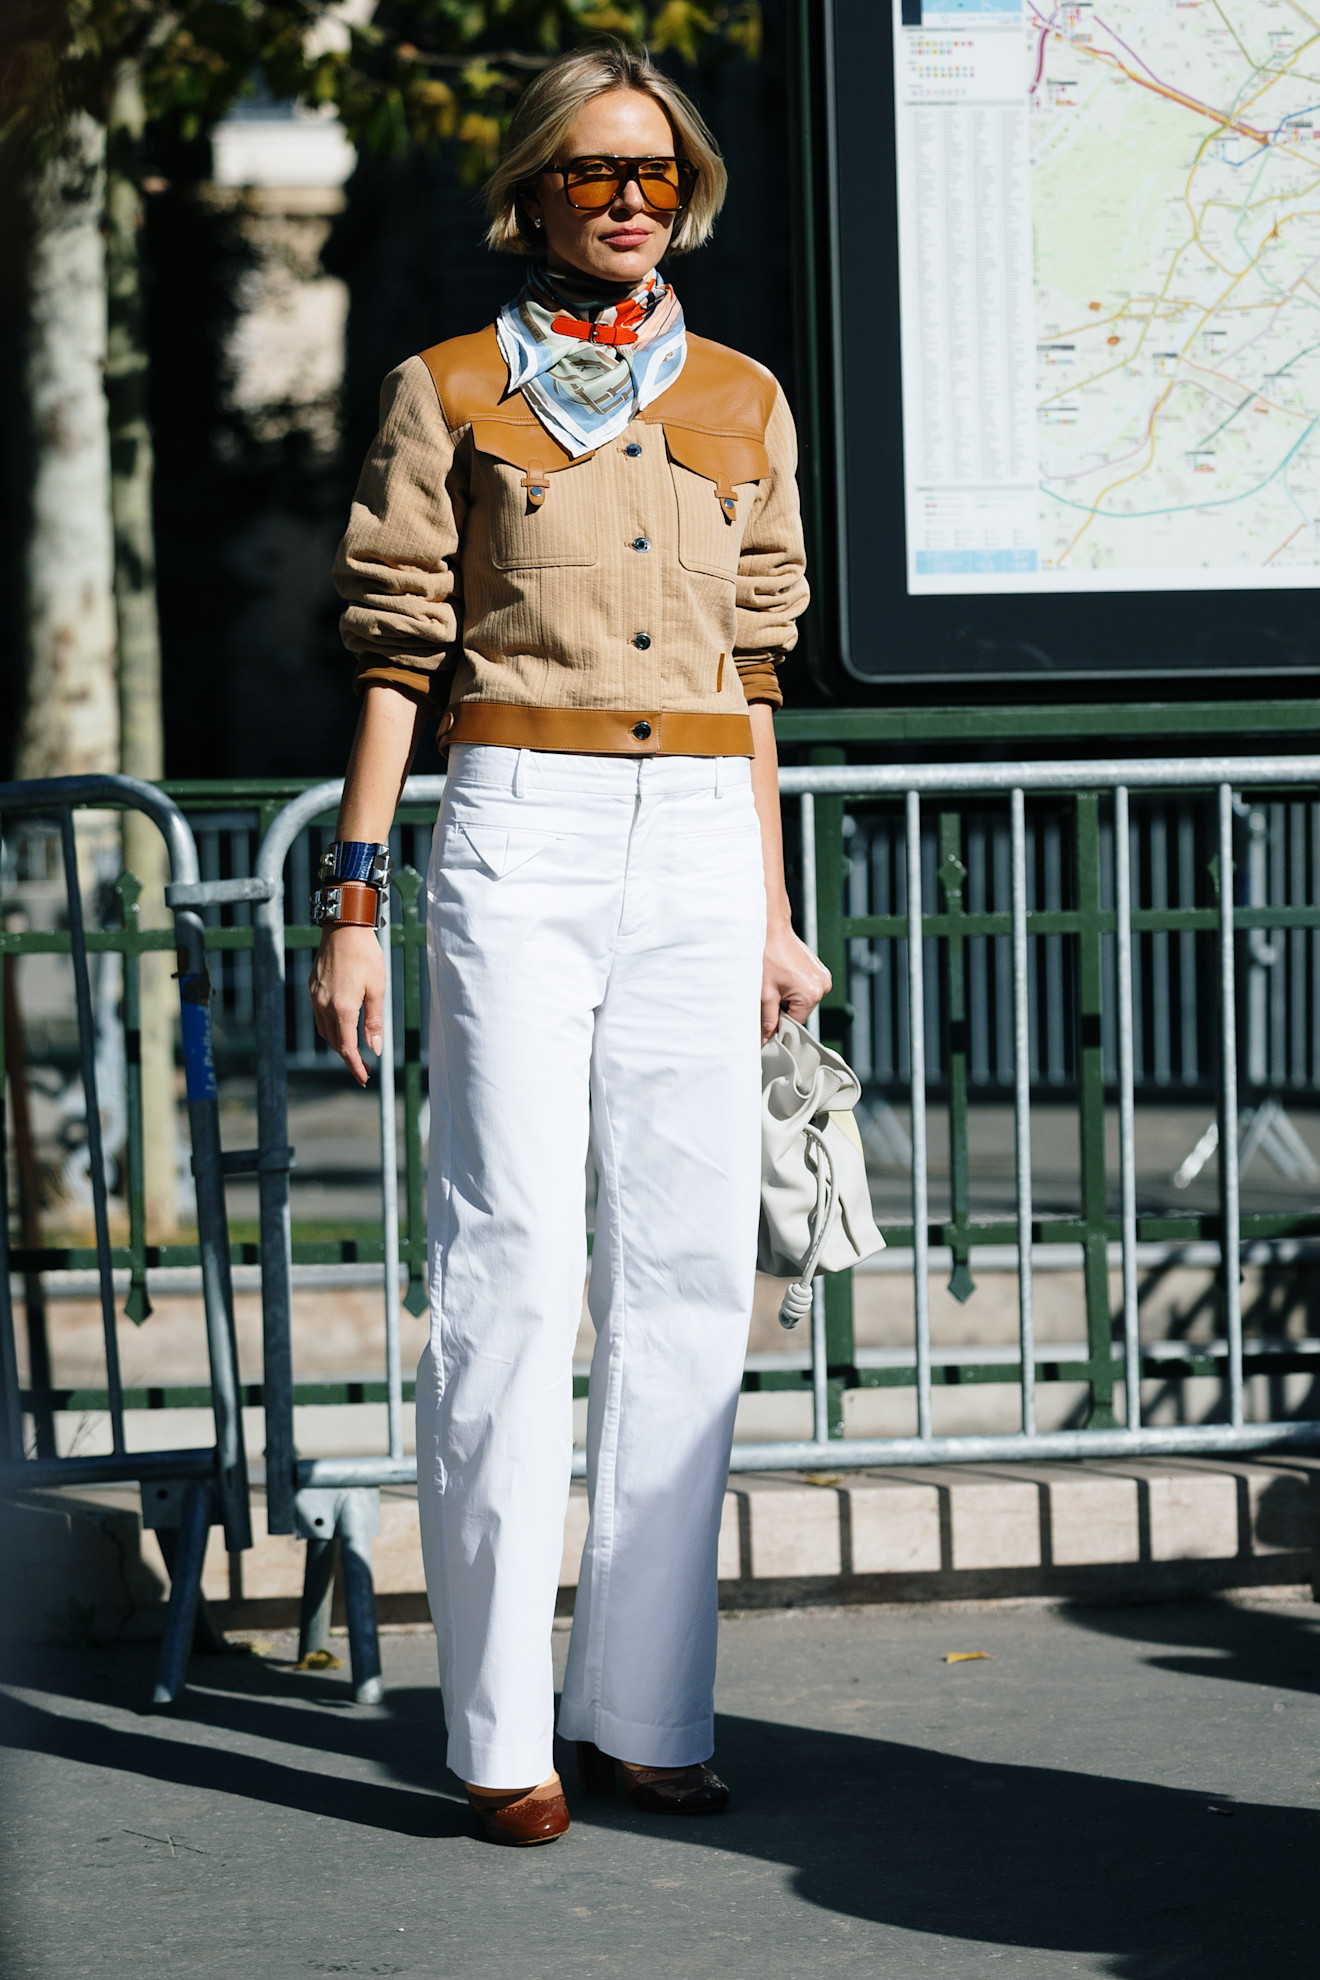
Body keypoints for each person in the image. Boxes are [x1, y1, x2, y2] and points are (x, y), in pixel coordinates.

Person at [310, 38, 828, 1846]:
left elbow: (756, 677)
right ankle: (499, 1733)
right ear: (532, 191)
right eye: (596, 172)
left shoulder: (744, 399)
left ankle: (649, 1712)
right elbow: (398, 655)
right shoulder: (446, 388)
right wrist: (355, 903)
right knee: (513, 1269)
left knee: (687, 1277)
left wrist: (774, 913)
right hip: (514, 824)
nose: (630, 201)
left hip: (697, 839)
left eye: (657, 173)